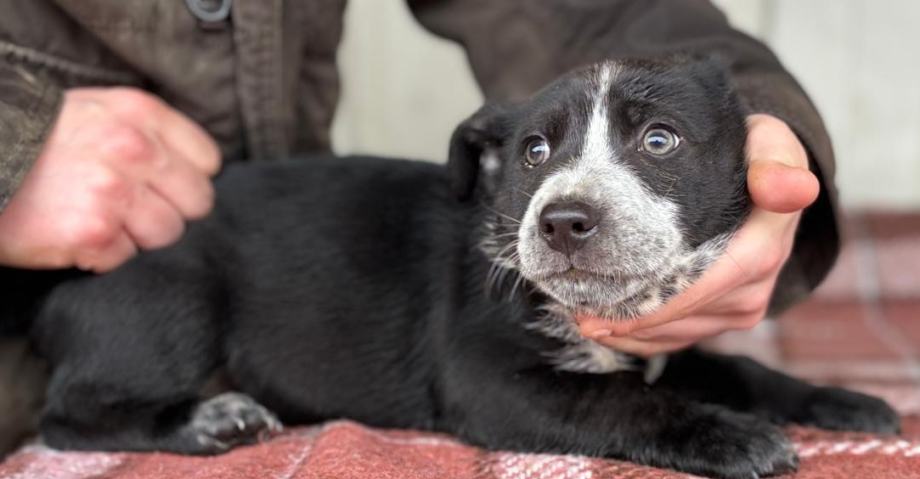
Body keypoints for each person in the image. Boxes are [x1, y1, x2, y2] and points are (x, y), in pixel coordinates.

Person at [0, 2, 835, 362]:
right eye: (537, 154)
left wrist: (756, 124)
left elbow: (592, 12)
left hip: (266, 313)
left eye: (656, 141)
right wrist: (14, 149)